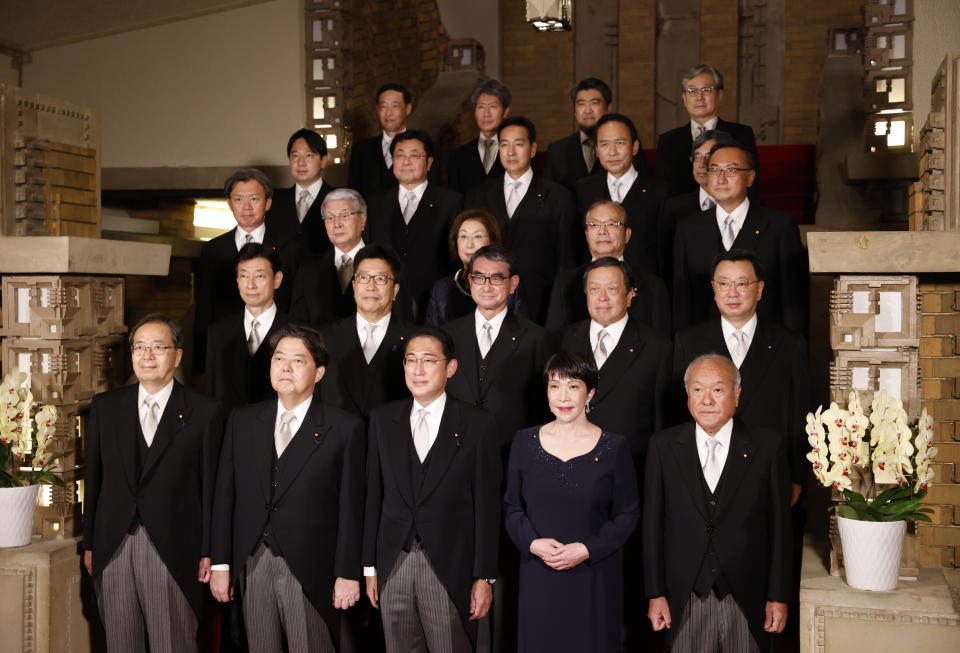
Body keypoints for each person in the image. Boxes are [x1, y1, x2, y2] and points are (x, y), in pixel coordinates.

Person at [210, 324, 366, 652]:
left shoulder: (344, 428)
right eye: (278, 359)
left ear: (319, 372)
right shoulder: (242, 421)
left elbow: (352, 508)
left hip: (312, 567)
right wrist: (221, 564)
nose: (285, 367)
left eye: (297, 361)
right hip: (253, 561)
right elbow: (225, 497)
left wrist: (347, 572)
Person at [83, 314, 225, 653]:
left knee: (171, 643)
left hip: (175, 547)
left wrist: (210, 550)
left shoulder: (205, 412)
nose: (147, 356)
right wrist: (90, 543)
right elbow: (94, 480)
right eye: (139, 348)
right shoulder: (106, 407)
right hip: (113, 545)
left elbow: (213, 489)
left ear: (177, 356)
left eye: (158, 347)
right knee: (120, 643)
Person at [363, 327, 501, 653]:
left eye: (428, 360)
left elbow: (487, 505)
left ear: (450, 368)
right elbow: (372, 497)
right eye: (411, 361)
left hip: (450, 565)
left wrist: (484, 576)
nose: (418, 370)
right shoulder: (383, 420)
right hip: (393, 562)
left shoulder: (477, 423)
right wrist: (370, 567)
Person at [644, 354, 792, 652]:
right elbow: (652, 525)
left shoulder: (767, 446)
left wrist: (778, 596)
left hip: (748, 596)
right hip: (683, 597)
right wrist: (655, 592)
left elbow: (780, 529)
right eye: (698, 390)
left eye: (718, 389)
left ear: (737, 394)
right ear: (687, 395)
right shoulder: (663, 446)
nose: (706, 400)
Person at [504, 350, 639, 652]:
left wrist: (587, 549)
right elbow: (512, 507)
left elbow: (627, 514)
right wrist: (532, 543)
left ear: (590, 392)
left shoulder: (614, 446)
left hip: (593, 578)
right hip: (539, 575)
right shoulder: (524, 442)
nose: (563, 396)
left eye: (573, 386)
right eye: (555, 386)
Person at [673, 249, 810, 504]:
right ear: (714, 290)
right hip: (705, 469)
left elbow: (799, 413)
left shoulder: (789, 344)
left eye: (742, 284)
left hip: (769, 471)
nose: (732, 293)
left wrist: (796, 477)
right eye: (723, 284)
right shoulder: (688, 341)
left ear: (759, 290)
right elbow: (678, 411)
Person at [672, 143, 808, 333]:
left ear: (750, 177)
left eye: (731, 170)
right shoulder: (688, 229)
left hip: (765, 342)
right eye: (714, 170)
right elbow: (683, 301)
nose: (721, 178)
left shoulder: (780, 226)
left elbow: (793, 298)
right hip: (706, 346)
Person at [466, 116, 578, 323]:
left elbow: (566, 262)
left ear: (533, 149)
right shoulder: (478, 196)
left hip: (540, 303)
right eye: (504, 144)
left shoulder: (559, 197)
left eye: (519, 144)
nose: (511, 152)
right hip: (487, 301)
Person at [193, 168, 302, 378]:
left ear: (268, 202)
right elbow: (204, 311)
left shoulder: (290, 248)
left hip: (280, 352)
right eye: (239, 199)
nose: (247, 206)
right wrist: (200, 369)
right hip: (227, 352)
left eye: (254, 198)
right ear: (230, 204)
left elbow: (297, 302)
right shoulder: (213, 250)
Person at [443, 244, 551, 452]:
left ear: (513, 284)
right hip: (454, 450)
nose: (486, 286)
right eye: (479, 277)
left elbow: (542, 405)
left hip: (511, 449)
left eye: (496, 278)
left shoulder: (537, 338)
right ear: (470, 281)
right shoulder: (447, 335)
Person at [365, 130, 462, 323]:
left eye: (414, 155)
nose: (406, 162)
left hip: (434, 302)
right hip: (384, 302)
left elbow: (455, 255)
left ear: (429, 162)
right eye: (400, 155)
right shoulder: (374, 204)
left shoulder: (451, 202)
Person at [546, 200, 670, 336]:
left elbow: (660, 346)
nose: (602, 231)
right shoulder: (564, 283)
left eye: (612, 224)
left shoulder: (653, 286)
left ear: (627, 235)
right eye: (594, 224)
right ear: (587, 235)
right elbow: (555, 340)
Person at [319, 244, 412, 421]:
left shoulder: (414, 339)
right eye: (363, 278)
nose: (371, 286)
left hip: (391, 442)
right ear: (354, 286)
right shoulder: (324, 338)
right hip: (336, 442)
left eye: (381, 279)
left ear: (395, 290)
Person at [575, 113, 668, 276]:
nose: (612, 152)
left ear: (635, 147)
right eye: (604, 144)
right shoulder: (582, 190)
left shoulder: (660, 191)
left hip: (645, 286)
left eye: (620, 143)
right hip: (596, 289)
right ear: (596, 149)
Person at [205, 243, 289, 411]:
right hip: (229, 431)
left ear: (277, 279)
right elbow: (211, 396)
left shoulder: (298, 333)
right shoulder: (218, 332)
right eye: (243, 276)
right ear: (237, 281)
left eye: (259, 276)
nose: (250, 285)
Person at [655, 64, 759, 198]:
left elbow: (750, 183)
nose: (699, 97)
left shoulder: (741, 134)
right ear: (684, 98)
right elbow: (663, 189)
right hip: (681, 215)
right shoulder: (668, 140)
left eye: (706, 90)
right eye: (692, 91)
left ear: (720, 95)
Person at [658, 129, 736, 287]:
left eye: (708, 157)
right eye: (697, 157)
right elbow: (667, 264)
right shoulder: (673, 208)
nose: (701, 165)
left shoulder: (742, 205)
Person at [289, 188, 368, 327]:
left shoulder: (385, 263)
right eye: (330, 217)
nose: (336, 224)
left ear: (362, 220)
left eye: (344, 216)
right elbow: (298, 325)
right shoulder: (308, 270)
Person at [266, 128, 335, 253]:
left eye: (308, 155)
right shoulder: (274, 201)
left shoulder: (339, 199)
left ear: (323, 161)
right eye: (295, 156)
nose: (301, 163)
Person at [348, 83, 413, 198]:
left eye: (395, 106)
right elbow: (353, 195)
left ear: (407, 109)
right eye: (383, 106)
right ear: (377, 110)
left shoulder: (424, 147)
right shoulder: (361, 149)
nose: (388, 113)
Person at [447, 79, 510, 194]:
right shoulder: (457, 156)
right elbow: (453, 201)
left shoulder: (516, 152)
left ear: (505, 112)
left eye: (493, 107)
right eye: (481, 107)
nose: (486, 114)